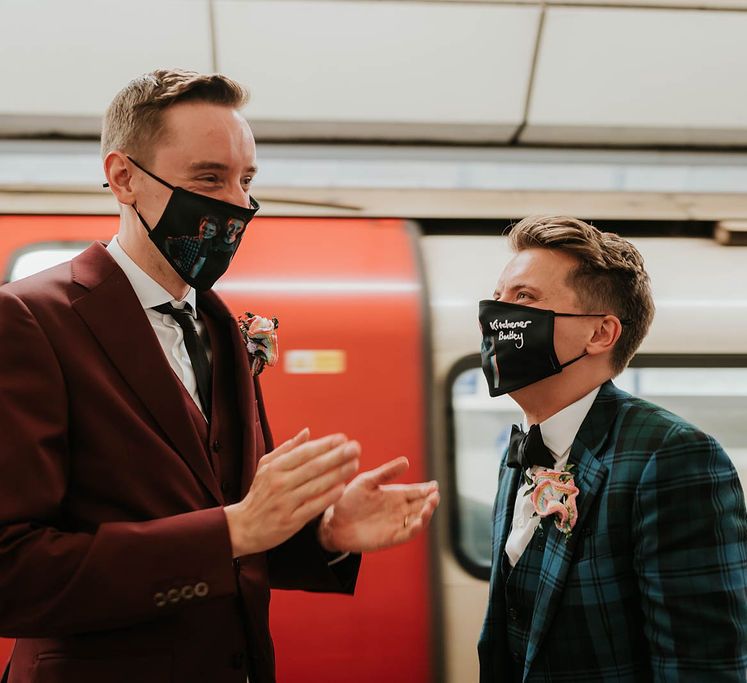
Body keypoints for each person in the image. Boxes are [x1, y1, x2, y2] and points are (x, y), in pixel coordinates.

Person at [0, 69, 439, 683]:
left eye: (246, 179)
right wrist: (232, 529)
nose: (237, 202)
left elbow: (235, 527)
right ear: (123, 178)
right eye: (209, 177)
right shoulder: (28, 320)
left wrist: (323, 534)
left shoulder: (219, 326)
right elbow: (12, 570)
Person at [477, 215, 747, 682]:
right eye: (499, 297)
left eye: (524, 298)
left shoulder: (673, 457)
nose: (496, 315)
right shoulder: (523, 449)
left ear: (600, 333)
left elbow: (703, 668)